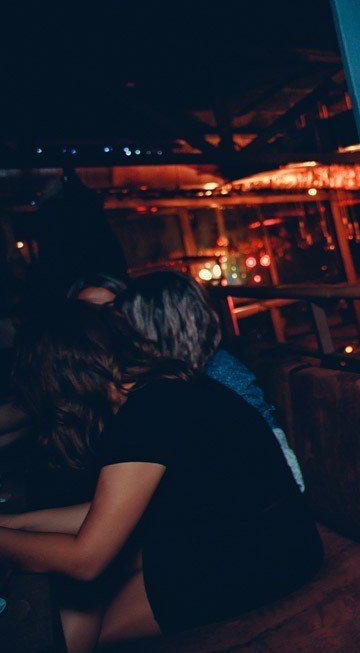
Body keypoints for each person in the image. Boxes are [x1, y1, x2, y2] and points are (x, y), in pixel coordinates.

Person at [0, 304, 321, 650]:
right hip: (239, 532)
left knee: (73, 630)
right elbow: (106, 513)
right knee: (74, 602)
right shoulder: (153, 391)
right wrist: (16, 523)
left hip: (268, 552)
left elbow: (86, 560)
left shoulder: (145, 416)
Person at [117, 270, 305, 491]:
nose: (122, 337)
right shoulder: (170, 382)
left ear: (154, 329)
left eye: (128, 326)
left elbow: (284, 470)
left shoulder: (221, 373)